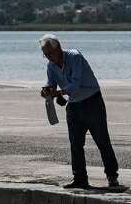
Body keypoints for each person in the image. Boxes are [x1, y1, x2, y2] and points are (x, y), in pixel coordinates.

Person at [39, 34, 121, 190]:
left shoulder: (74, 57)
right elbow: (51, 83)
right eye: (45, 54)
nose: (48, 57)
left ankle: (112, 177)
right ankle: (79, 178)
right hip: (74, 105)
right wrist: (46, 91)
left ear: (59, 48)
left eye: (50, 53)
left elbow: (75, 84)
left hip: (92, 102)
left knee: (102, 141)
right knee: (75, 144)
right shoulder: (51, 66)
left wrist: (58, 93)